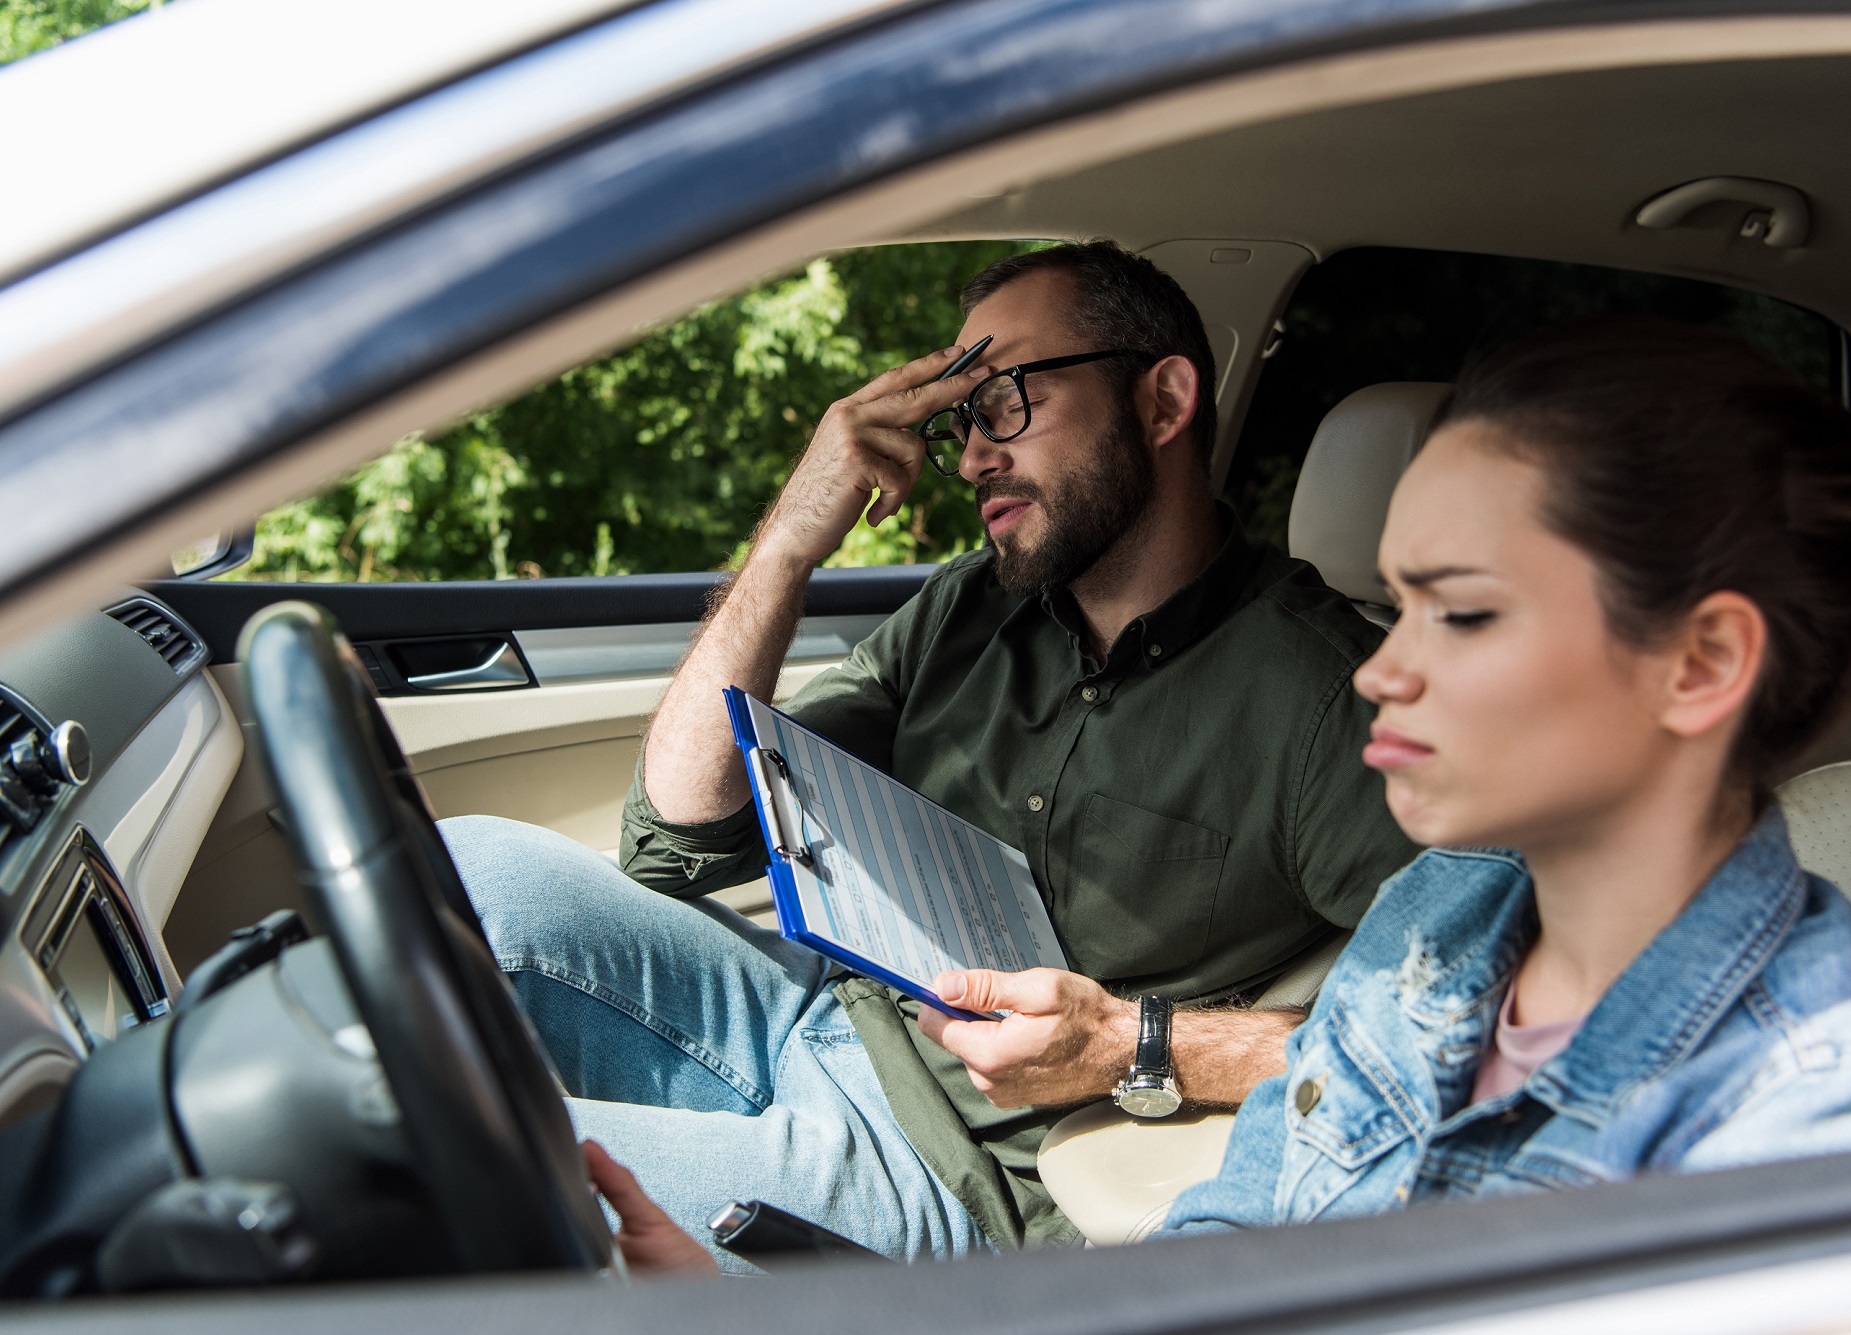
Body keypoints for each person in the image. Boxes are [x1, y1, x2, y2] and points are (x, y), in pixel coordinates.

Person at [440, 241, 1417, 1269]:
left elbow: (1444, 1031)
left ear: (1162, 402)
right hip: (817, 1007)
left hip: (956, 1175)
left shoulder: (1328, 700)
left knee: (438, 1158)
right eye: (959, 418)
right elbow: (679, 832)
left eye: (1003, 402)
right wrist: (786, 546)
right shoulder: (967, 608)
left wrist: (1129, 1043)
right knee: (465, 871)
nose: (968, 457)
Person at [1158, 319, 1851, 1237]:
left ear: (1702, 663)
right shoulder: (1438, 900)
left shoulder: (1822, 1107)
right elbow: (1229, 1227)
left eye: (1462, 612)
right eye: (1400, 606)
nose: (1378, 672)